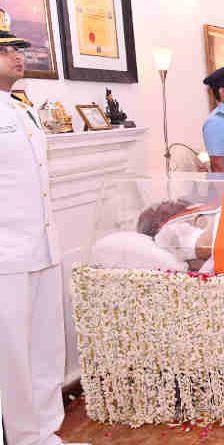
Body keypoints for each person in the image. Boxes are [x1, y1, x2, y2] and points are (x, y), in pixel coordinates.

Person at [0, 10, 88, 445]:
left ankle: (43, 433)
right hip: (6, 255)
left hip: (42, 246)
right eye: (5, 49)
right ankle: (19, 436)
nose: (17, 55)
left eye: (17, 47)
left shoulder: (22, 108)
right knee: (13, 355)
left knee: (45, 348)